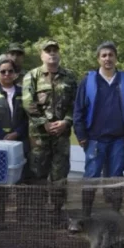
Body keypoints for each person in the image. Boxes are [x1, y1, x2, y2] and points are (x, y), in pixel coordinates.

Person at [73, 42, 124, 216]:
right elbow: (78, 109)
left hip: (118, 138)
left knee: (115, 176)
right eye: (104, 55)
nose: (107, 58)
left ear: (116, 58)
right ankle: (86, 214)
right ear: (98, 58)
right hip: (94, 138)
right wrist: (81, 134)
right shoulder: (88, 81)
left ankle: (114, 214)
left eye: (111, 55)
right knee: (91, 175)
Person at [22, 40, 78, 212]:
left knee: (60, 174)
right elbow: (28, 103)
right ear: (42, 55)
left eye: (55, 50)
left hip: (61, 135)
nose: (52, 53)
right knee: (37, 173)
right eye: (48, 51)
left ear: (59, 54)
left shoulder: (69, 76)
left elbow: (75, 104)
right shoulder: (32, 76)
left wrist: (66, 121)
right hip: (39, 136)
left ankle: (56, 210)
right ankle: (37, 211)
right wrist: (44, 123)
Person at [0, 57, 29, 227]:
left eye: (10, 71)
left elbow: (27, 117)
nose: (7, 74)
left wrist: (17, 133)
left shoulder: (23, 92)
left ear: (16, 74)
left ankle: (20, 218)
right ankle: (0, 220)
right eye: (3, 71)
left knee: (21, 179)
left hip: (19, 142)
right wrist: (2, 135)